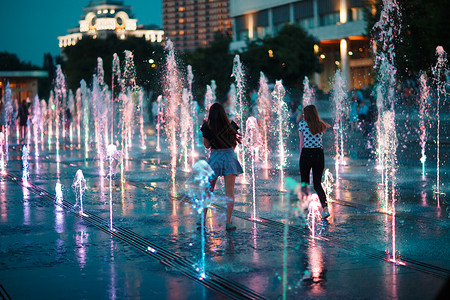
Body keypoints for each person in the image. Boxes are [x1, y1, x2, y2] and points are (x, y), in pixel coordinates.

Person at [200, 103, 243, 231]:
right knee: (229, 191)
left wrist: (206, 130)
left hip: (215, 159)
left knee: (208, 190)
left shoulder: (207, 127)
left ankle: (202, 221)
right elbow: (234, 144)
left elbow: (206, 145)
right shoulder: (231, 126)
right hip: (229, 157)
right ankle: (228, 222)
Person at [298, 105, 331, 219]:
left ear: (307, 114)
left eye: (304, 113)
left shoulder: (302, 124)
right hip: (319, 155)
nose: (303, 115)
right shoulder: (320, 125)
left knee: (305, 183)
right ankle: (325, 208)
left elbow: (301, 143)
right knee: (317, 184)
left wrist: (301, 157)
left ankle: (305, 208)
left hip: (306, 154)